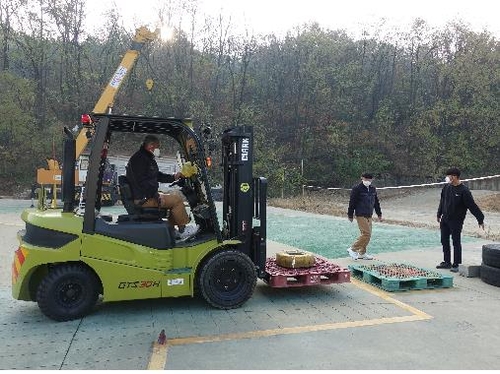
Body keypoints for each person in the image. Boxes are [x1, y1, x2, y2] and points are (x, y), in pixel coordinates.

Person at [126, 134, 199, 240]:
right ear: (151, 146)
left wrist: (174, 177)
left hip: (145, 195)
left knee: (172, 197)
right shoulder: (140, 159)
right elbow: (142, 182)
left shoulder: (145, 157)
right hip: (143, 199)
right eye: (157, 146)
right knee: (177, 200)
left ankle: (171, 230)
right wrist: (155, 195)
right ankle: (183, 230)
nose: (158, 149)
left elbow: (156, 175)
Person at [436, 167, 484, 272]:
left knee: (456, 242)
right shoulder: (446, 187)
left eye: (449, 176)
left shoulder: (464, 191)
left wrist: (480, 219)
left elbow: (472, 206)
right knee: (444, 240)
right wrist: (439, 213)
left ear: (454, 177)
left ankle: (457, 263)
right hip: (445, 219)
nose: (447, 178)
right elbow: (442, 201)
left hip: (456, 220)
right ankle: (447, 262)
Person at [346, 172, 383, 260]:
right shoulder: (357, 189)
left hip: (369, 214)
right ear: (362, 178)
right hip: (360, 214)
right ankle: (353, 249)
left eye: (369, 180)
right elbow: (352, 202)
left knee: (367, 235)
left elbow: (376, 202)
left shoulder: (373, 189)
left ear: (372, 180)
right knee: (366, 234)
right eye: (366, 179)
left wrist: (379, 214)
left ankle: (362, 253)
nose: (367, 181)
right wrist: (350, 214)